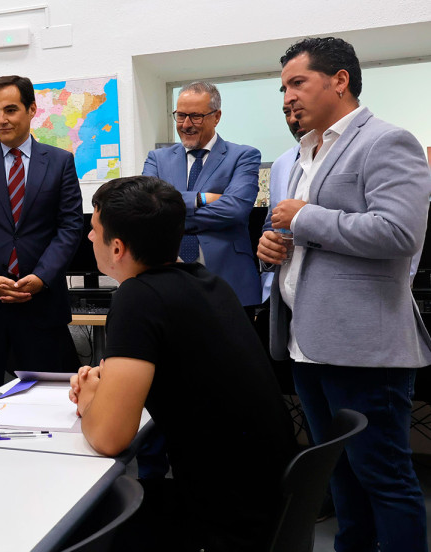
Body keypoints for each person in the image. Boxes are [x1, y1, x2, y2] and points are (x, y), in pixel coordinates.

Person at [258, 36, 431, 551]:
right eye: (283, 87)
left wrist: (304, 218)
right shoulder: (303, 154)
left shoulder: (386, 141)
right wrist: (275, 245)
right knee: (340, 476)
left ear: (340, 80)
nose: (287, 97)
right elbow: (308, 237)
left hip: (362, 345)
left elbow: (400, 233)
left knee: (382, 477)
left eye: (297, 82)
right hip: (306, 341)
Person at [70, 176, 296, 552]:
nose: (90, 239)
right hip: (269, 505)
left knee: (87, 521)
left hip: (223, 524)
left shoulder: (138, 298)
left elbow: (109, 438)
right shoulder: (210, 284)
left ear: (118, 247)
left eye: (94, 230)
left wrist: (90, 399)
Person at [0, 75, 84, 402]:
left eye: (10, 110)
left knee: (50, 401)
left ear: (32, 109)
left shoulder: (60, 162)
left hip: (40, 301)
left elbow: (69, 226)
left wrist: (41, 277)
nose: (1, 119)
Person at [142, 81, 262, 309]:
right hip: (168, 282)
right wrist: (200, 199)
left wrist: (171, 212)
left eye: (195, 116)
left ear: (216, 117)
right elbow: (148, 211)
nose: (186, 124)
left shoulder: (243, 156)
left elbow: (234, 210)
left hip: (230, 283)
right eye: (180, 116)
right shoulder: (157, 159)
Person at [260, 103, 305, 301]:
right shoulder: (281, 163)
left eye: (299, 110)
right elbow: (272, 222)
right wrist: (268, 244)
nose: (293, 119)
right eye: (287, 112)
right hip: (282, 293)